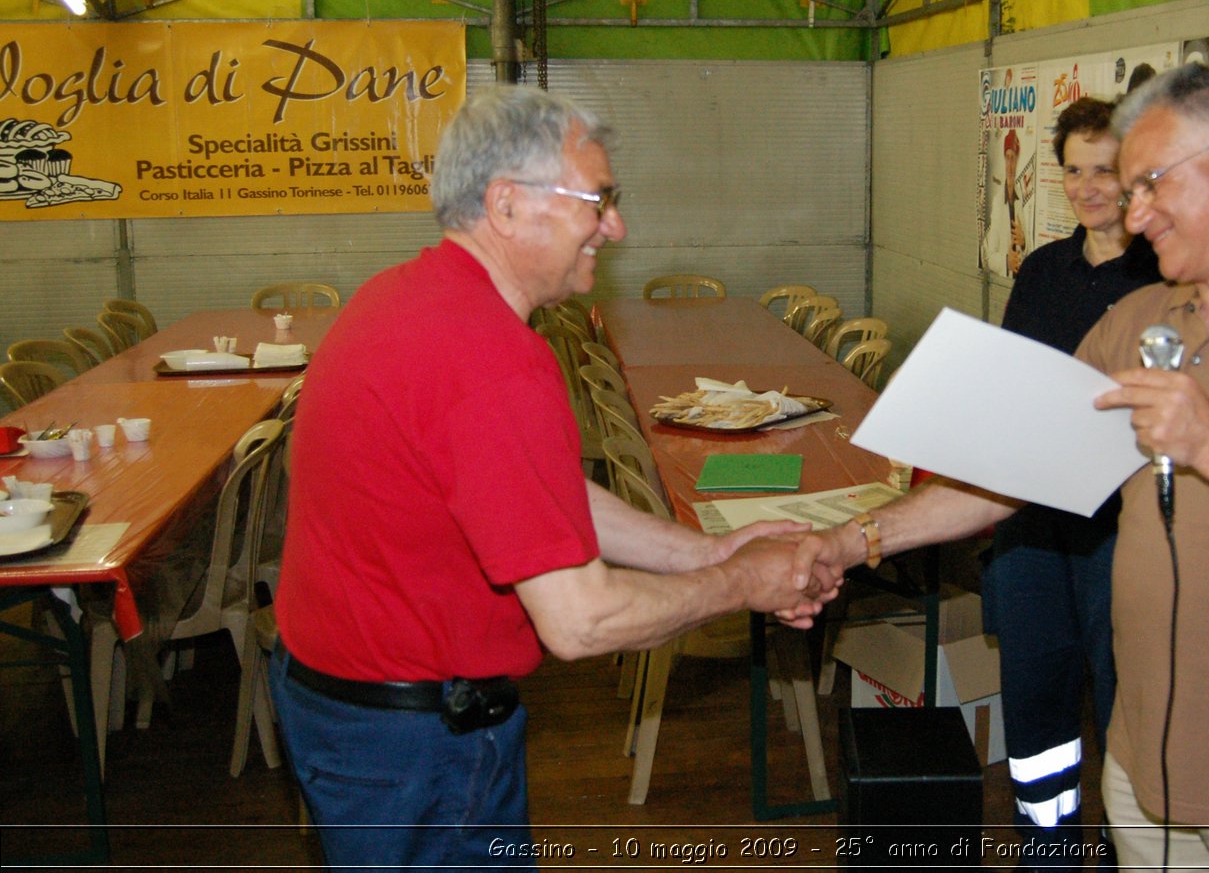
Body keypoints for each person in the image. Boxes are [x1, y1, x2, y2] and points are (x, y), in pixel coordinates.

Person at [799, 64, 1209, 871]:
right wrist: (855, 541)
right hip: (1146, 781)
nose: (1133, 214)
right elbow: (1015, 476)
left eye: (1150, 185)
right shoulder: (1139, 318)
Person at [270, 86, 839, 869]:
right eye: (597, 200)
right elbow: (582, 621)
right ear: (506, 205)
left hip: (345, 709)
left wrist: (712, 552)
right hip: (418, 744)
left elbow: (539, 499)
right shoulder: (492, 360)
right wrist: (747, 586)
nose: (616, 225)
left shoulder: (407, 298)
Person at [983, 97, 1158, 865]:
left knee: (1125, 701)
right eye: (1076, 171)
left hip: (1118, 531)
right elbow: (1018, 385)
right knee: (1035, 702)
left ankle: (1129, 853)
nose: (1090, 188)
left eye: (1106, 171)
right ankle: (1046, 850)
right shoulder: (1043, 269)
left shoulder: (1165, 276)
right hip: (1030, 528)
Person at [986, 128, 1034, 277]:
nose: (1010, 164)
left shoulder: (1021, 200)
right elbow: (989, 257)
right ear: (1004, 158)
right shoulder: (998, 202)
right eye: (1008, 157)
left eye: (1014, 157)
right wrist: (1006, 262)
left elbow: (1031, 250)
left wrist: (1024, 241)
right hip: (1004, 282)